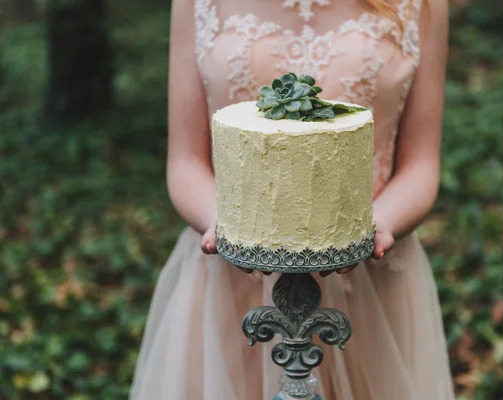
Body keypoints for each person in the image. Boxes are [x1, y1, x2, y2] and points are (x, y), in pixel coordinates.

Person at [129, 0, 454, 398]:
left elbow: (421, 164)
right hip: (231, 282)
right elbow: (184, 162)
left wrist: (374, 227)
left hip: (371, 281)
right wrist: (229, 227)